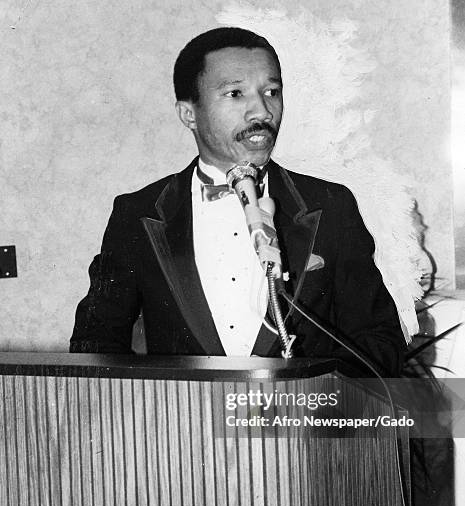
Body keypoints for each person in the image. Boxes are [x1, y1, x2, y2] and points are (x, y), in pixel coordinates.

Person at [70, 27, 406, 376]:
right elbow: (95, 346)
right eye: (235, 93)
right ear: (189, 114)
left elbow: (379, 342)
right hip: (184, 426)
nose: (261, 110)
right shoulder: (138, 214)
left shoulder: (332, 204)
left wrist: (312, 395)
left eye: (271, 91)